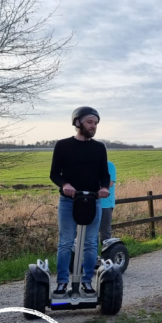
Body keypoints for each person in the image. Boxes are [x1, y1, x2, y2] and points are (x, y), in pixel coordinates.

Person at [50, 106, 110, 297]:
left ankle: (86, 282)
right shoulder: (62, 145)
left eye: (96, 123)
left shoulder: (99, 147)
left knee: (91, 243)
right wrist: (65, 184)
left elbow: (104, 174)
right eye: (90, 122)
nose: (93, 126)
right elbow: (54, 174)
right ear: (77, 123)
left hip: (93, 201)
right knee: (66, 242)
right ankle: (61, 283)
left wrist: (104, 188)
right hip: (69, 201)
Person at [99, 158, 117, 244]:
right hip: (91, 203)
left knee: (105, 232)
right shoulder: (89, 164)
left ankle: (106, 254)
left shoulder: (109, 165)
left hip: (105, 204)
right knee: (91, 232)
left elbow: (109, 183)